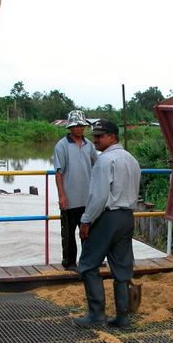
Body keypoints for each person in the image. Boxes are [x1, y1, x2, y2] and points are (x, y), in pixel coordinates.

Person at [74, 119, 141, 329]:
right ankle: (123, 317)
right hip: (127, 216)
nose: (95, 140)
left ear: (112, 136)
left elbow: (99, 196)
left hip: (108, 217)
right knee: (122, 268)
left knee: (87, 264)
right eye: (94, 136)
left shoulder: (104, 161)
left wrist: (86, 220)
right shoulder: (131, 159)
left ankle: (97, 315)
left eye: (100, 136)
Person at [53, 110, 98, 271]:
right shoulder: (62, 146)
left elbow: (97, 165)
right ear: (70, 127)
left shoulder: (89, 145)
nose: (79, 129)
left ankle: (89, 261)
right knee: (69, 234)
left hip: (87, 198)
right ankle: (70, 262)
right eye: (76, 126)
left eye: (81, 126)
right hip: (70, 199)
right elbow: (59, 172)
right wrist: (62, 196)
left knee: (89, 233)